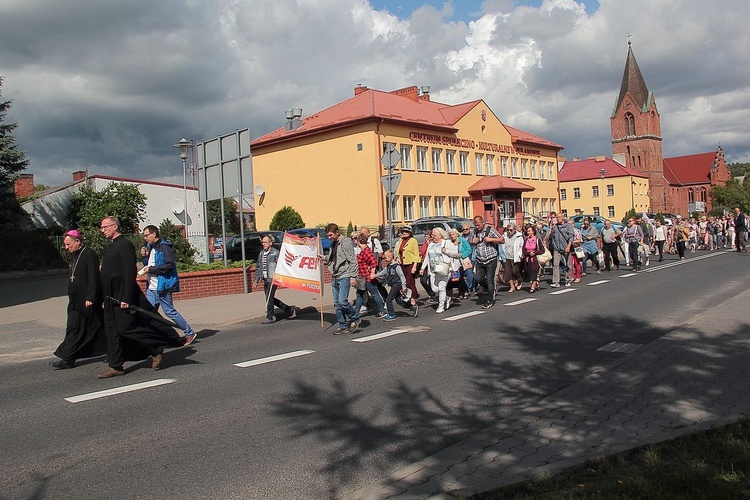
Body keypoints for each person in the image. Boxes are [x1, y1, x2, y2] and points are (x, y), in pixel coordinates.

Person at [98, 216, 185, 379]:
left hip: (121, 295)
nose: (102, 230)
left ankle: (156, 347)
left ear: (114, 227)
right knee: (112, 331)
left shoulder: (125, 245)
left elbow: (128, 272)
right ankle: (116, 365)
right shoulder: (112, 246)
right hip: (110, 296)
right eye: (102, 228)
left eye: (105, 227)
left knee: (126, 328)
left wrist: (126, 296)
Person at [50, 229, 107, 369]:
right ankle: (68, 358)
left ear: (77, 241)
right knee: (73, 329)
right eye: (65, 245)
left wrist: (91, 297)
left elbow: (94, 278)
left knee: (99, 328)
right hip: (75, 302)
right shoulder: (77, 254)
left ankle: (115, 349)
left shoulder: (89, 254)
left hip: (87, 302)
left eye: (68, 244)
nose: (66, 247)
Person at [142, 225, 198, 342]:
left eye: (147, 235)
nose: (145, 238)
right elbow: (148, 263)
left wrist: (151, 270)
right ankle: (156, 337)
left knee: (169, 311)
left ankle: (189, 332)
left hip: (162, 286)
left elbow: (169, 265)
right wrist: (144, 257)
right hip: (151, 287)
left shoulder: (164, 248)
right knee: (148, 313)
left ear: (154, 234)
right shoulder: (151, 248)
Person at [323, 223, 361, 334]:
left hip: (344, 275)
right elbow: (334, 259)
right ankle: (342, 325)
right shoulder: (333, 244)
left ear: (337, 232)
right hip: (335, 275)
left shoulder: (346, 242)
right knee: (337, 303)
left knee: (342, 301)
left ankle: (355, 317)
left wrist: (353, 276)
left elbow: (352, 260)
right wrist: (324, 258)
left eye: (331, 235)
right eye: (328, 236)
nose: (329, 237)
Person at [253, 235, 293, 324]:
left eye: (265, 242)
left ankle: (269, 317)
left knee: (269, 298)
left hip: (273, 279)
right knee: (269, 297)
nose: (263, 244)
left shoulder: (275, 253)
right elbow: (258, 267)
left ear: (270, 243)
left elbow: (281, 265)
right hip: (265, 278)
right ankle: (286, 308)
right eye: (262, 242)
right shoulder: (261, 253)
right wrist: (256, 279)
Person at [420, 228, 459, 314]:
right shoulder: (431, 244)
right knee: (434, 289)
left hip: (444, 269)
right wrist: (423, 268)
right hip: (433, 270)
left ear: (440, 235)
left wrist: (446, 251)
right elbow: (427, 257)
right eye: (432, 235)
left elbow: (456, 253)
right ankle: (446, 297)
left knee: (441, 287)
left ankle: (441, 306)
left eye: (434, 235)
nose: (432, 237)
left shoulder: (447, 243)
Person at [470, 216, 503, 308]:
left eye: (478, 225)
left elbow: (502, 240)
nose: (477, 227)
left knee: (489, 279)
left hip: (491, 258)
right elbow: (469, 240)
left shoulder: (490, 230)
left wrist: (491, 239)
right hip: (480, 259)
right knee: (478, 278)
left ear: (482, 223)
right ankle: (490, 290)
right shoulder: (475, 231)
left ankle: (490, 300)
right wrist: (472, 241)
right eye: (475, 225)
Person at [353, 233, 386, 319]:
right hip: (362, 277)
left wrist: (372, 273)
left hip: (367, 278)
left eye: (355, 240)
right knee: (359, 294)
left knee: (374, 293)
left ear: (358, 241)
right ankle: (356, 313)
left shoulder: (366, 251)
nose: (354, 242)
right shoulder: (363, 251)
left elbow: (373, 262)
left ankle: (382, 310)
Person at [372, 250, 408, 321]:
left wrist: (404, 285)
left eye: (386, 257)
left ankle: (391, 314)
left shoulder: (396, 266)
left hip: (397, 284)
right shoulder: (389, 266)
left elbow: (401, 276)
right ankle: (412, 306)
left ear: (391, 257)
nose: (385, 259)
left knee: (388, 300)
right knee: (398, 300)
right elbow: (383, 273)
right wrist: (375, 275)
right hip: (393, 284)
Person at [396, 225, 421, 314]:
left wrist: (414, 266)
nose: (403, 233)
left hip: (410, 264)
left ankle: (413, 300)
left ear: (410, 232)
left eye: (406, 232)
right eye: (402, 232)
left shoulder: (413, 241)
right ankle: (411, 297)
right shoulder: (400, 240)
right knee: (404, 283)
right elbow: (398, 251)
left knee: (410, 283)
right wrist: (398, 258)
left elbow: (416, 255)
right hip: (402, 264)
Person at [546, 213, 573, 287]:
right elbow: (550, 237)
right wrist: (551, 227)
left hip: (566, 247)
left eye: (559, 217)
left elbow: (571, 237)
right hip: (557, 248)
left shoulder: (568, 226)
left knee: (568, 264)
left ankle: (567, 279)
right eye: (557, 217)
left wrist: (568, 246)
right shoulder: (555, 227)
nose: (558, 219)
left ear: (563, 218)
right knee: (555, 265)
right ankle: (556, 282)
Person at [444, 227, 471, 299]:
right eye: (450, 235)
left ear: (457, 234)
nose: (452, 236)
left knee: (460, 277)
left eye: (453, 234)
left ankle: (465, 290)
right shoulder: (450, 243)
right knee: (456, 278)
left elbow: (468, 250)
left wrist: (461, 255)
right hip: (453, 263)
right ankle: (461, 292)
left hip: (461, 261)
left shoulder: (462, 241)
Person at [521, 225, 545, 293]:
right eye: (527, 231)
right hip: (527, 260)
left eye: (529, 231)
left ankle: (533, 288)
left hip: (535, 260)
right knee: (529, 273)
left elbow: (542, 250)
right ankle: (536, 282)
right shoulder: (526, 240)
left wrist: (535, 252)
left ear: (533, 232)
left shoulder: (537, 240)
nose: (528, 232)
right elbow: (523, 250)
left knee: (534, 273)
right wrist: (529, 253)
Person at [501, 222, 523, 292]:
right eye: (508, 230)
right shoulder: (504, 235)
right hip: (507, 256)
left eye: (511, 230)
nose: (509, 231)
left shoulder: (519, 236)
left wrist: (520, 255)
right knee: (508, 272)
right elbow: (502, 244)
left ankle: (519, 280)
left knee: (515, 271)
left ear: (514, 230)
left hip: (515, 256)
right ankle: (512, 286)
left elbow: (521, 247)